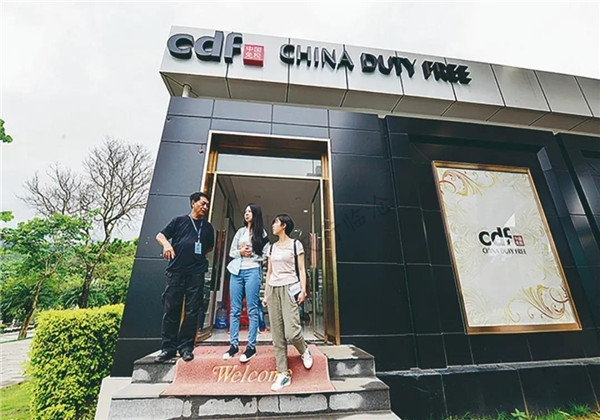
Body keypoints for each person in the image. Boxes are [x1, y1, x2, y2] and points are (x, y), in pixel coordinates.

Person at [154, 192, 215, 363]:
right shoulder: (179, 221)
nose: (205, 207)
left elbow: (209, 247)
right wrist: (167, 244)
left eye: (207, 205)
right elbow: (160, 235)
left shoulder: (208, 227)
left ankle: (186, 347)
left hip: (196, 273)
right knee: (171, 310)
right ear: (193, 203)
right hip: (176, 272)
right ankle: (168, 348)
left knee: (192, 311)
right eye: (202, 203)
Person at [263, 214, 312, 392]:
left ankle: (304, 349)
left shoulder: (295, 244)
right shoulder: (271, 247)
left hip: (290, 287)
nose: (273, 225)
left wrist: (303, 289)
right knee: (277, 334)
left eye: (275, 222)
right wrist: (266, 294)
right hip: (273, 289)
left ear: (284, 225)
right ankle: (283, 374)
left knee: (292, 331)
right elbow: (269, 272)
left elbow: (302, 269)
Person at [223, 203, 269, 362]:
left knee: (252, 310)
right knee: (234, 310)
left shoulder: (261, 233)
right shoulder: (240, 232)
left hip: (253, 271)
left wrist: (253, 254)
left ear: (256, 214)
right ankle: (233, 345)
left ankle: (251, 347)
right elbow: (231, 252)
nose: (246, 213)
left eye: (250, 211)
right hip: (236, 271)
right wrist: (241, 252)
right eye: (245, 211)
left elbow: (266, 254)